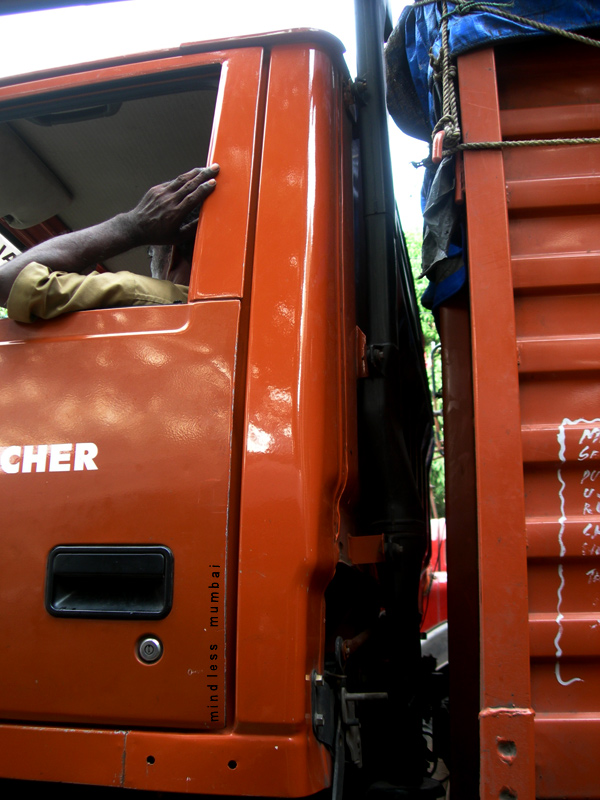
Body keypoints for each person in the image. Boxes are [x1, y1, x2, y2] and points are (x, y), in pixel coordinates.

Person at [0, 164, 219, 323]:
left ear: (172, 257)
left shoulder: (136, 294)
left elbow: (6, 285)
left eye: (151, 255)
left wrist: (132, 227)